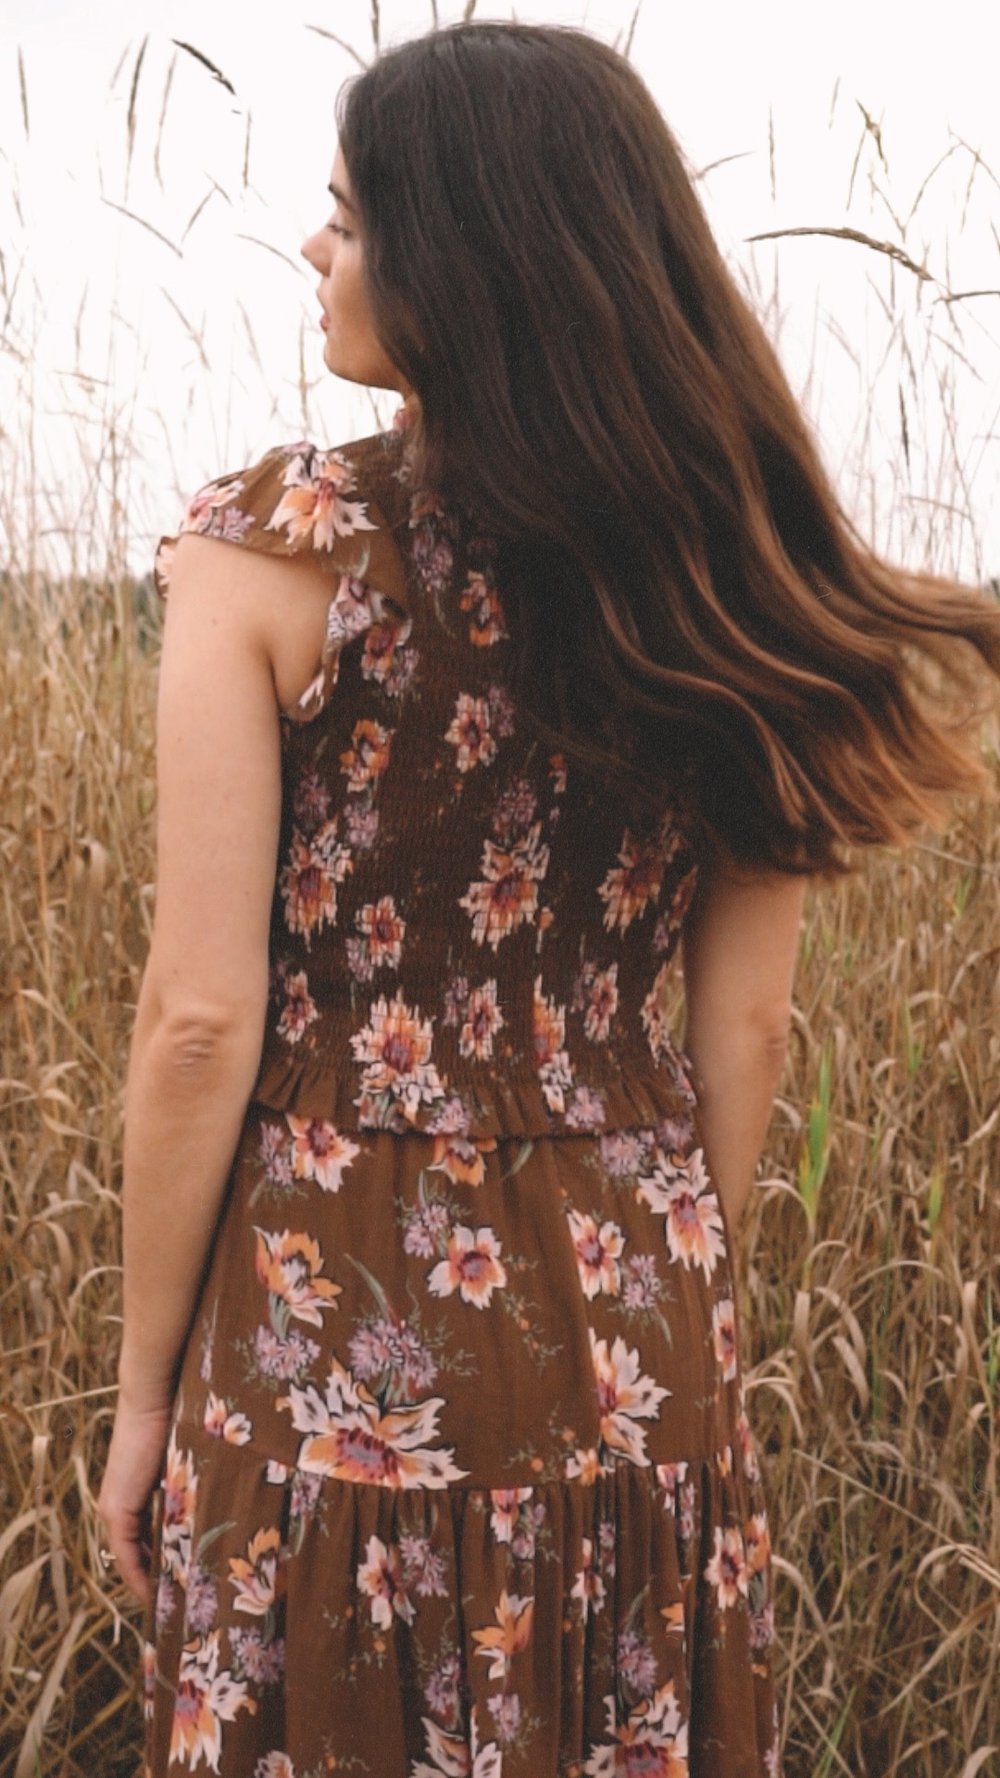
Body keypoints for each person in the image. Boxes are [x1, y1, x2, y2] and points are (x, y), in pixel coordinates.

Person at [96, 20, 1000, 1778]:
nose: (314, 246)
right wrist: (668, 1289)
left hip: (321, 1325)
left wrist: (142, 1397)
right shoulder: (725, 568)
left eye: (349, 217)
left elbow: (197, 1021)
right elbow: (743, 1021)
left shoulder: (269, 548)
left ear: (461, 255)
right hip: (635, 1317)